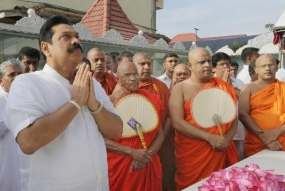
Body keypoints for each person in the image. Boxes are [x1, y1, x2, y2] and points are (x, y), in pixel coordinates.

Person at [4, 15, 123, 191]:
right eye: (65, 37)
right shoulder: (28, 84)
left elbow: (117, 130)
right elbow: (28, 142)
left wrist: (93, 105)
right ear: (46, 48)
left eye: (76, 36)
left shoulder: (92, 84)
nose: (75, 40)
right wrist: (75, 103)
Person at [170, 48, 239, 190]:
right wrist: (210, 138)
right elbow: (177, 122)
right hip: (193, 154)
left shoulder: (222, 86)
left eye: (209, 61)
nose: (207, 65)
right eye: (202, 62)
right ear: (190, 66)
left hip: (221, 149)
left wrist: (225, 141)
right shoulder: (181, 88)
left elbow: (233, 118)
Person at [107, 61, 165, 191]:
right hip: (121, 164)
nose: (133, 79)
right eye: (127, 75)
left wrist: (146, 155)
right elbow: (100, 139)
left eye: (135, 74)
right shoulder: (108, 103)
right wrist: (132, 152)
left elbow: (160, 133)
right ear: (118, 79)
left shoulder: (151, 99)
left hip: (147, 161)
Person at [133, 52, 174, 191]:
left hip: (161, 140)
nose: (146, 67)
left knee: (163, 174)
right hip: (134, 145)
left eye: (148, 64)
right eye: (141, 64)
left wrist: (161, 138)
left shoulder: (160, 86)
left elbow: (169, 115)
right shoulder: (128, 87)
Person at [239, 54, 285, 158]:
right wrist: (265, 138)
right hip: (256, 141)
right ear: (256, 69)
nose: (267, 68)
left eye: (271, 65)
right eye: (263, 66)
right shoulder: (248, 88)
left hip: (282, 139)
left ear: (277, 67)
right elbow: (243, 115)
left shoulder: (283, 88)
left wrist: (276, 132)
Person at [212, 52, 245, 160]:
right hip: (220, 128)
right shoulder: (210, 83)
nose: (225, 67)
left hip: (238, 126)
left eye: (227, 64)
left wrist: (229, 85)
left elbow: (244, 99)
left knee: (238, 156)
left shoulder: (239, 82)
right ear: (214, 68)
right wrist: (223, 84)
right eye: (221, 64)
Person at [0, 58, 22, 191]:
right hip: (6, 168)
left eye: (20, 74)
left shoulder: (27, 97)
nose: (17, 78)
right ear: (1, 80)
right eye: (11, 74)